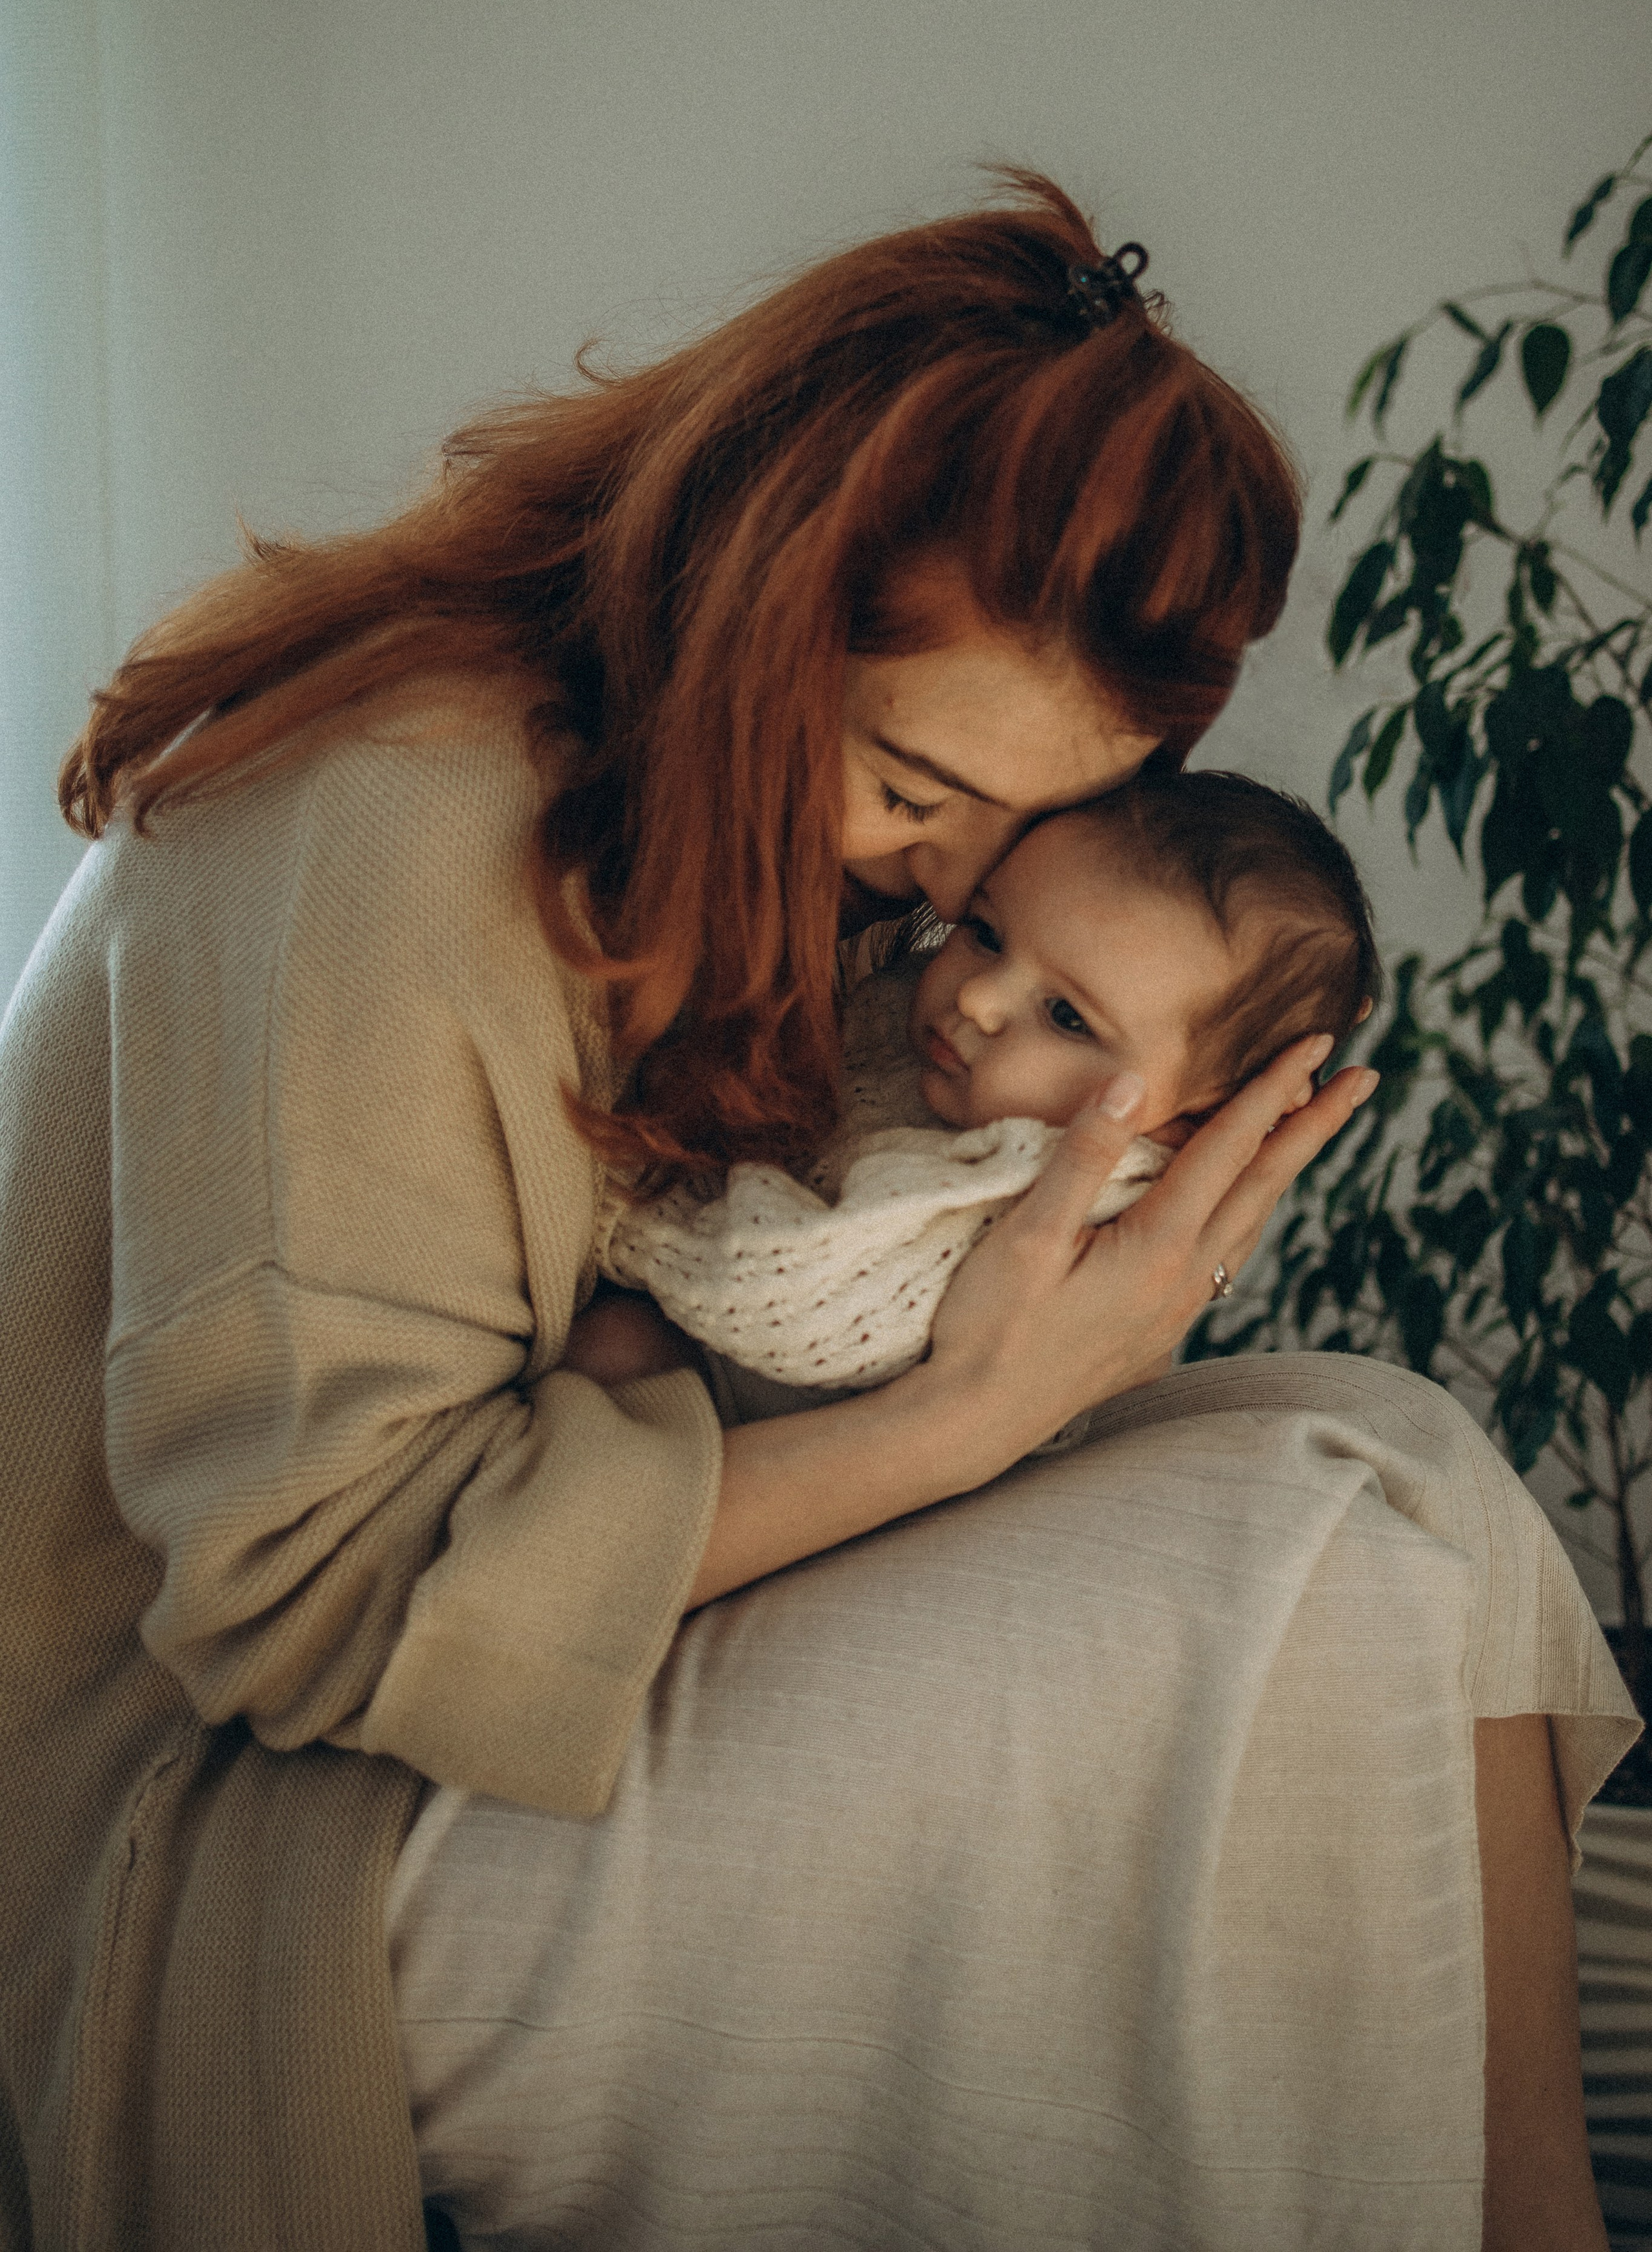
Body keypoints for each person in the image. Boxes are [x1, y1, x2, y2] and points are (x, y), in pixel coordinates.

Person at [0, 176, 1629, 2252]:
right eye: (910, 782)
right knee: (1306, 1566)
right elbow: (299, 1606)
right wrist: (962, 1413)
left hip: (499, 1646)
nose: (938, 892)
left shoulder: (674, 805)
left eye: (1001, 833)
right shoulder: (380, 815)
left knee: (1408, 1461)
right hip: (239, 1835)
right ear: (759, 589)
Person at [592, 771, 1380, 1401]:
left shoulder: (1037, 1188)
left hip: (810, 1408)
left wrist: (623, 1197)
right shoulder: (924, 1023)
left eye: (1067, 1016)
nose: (979, 997)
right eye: (987, 933)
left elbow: (780, 1294)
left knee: (616, 1349)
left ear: (1192, 1121)